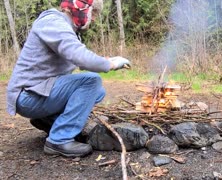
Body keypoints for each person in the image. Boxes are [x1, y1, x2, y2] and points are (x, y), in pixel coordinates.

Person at [6, 0, 130, 157]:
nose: (93, 19)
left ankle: (48, 120)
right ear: (82, 9)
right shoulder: (53, 22)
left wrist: (108, 60)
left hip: (39, 92)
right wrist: (110, 64)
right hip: (28, 96)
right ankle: (59, 140)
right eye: (94, 13)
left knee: (98, 92)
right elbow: (80, 57)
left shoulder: (64, 28)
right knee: (92, 81)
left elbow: (81, 60)